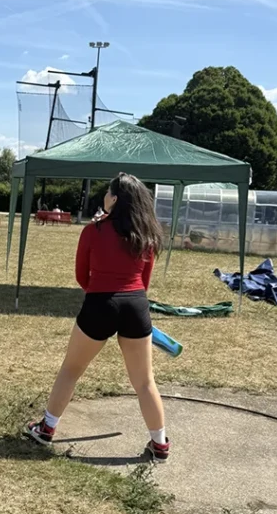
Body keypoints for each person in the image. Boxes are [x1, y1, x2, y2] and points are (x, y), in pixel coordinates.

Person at [25, 173, 169, 462]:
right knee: (144, 382)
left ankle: (46, 428)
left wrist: (102, 296)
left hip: (100, 302)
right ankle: (160, 443)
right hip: (136, 305)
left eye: (108, 191)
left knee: (71, 370)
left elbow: (82, 276)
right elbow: (144, 281)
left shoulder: (94, 231)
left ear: (114, 199)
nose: (105, 195)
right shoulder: (147, 237)